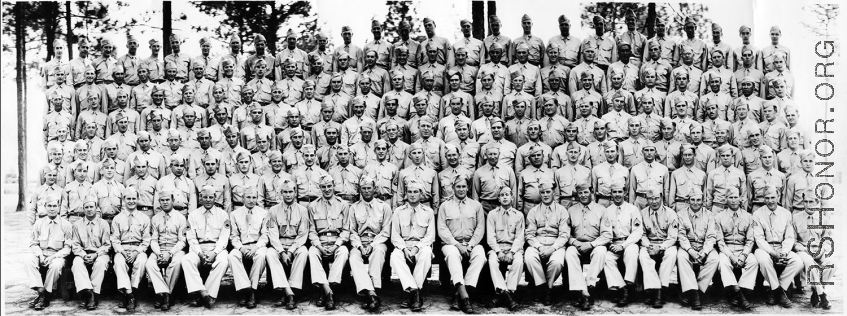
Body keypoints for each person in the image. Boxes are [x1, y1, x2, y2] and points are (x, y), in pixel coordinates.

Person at [437, 173, 485, 313]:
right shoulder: (445, 206)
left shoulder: (476, 205)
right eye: (458, 186)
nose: (461, 189)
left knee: (481, 256)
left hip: (471, 243)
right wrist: (457, 245)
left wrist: (469, 246)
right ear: (453, 187)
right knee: (452, 255)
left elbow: (480, 228)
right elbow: (442, 229)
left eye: (464, 186)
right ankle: (465, 296)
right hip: (451, 244)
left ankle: (460, 294)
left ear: (468, 188)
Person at [752, 186, 803, 308]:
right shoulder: (757, 214)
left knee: (798, 262)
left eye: (773, 197)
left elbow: (789, 237)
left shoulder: (786, 214)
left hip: (782, 247)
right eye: (767, 198)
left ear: (778, 197)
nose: (770, 201)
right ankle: (779, 292)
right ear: (763, 199)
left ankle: (776, 289)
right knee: (763, 260)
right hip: (765, 248)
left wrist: (784, 252)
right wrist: (771, 252)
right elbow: (759, 238)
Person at [389, 179, 436, 312]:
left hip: (421, 246)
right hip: (403, 246)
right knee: (394, 257)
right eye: (409, 192)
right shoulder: (398, 211)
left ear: (421, 194)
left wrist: (416, 248)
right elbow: (395, 236)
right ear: (406, 194)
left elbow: (430, 236)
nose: (412, 194)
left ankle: (411, 293)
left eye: (416, 192)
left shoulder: (428, 212)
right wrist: (404, 249)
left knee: (426, 253)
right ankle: (415, 293)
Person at [346, 175, 391, 311]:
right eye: (363, 188)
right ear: (360, 189)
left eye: (369, 188)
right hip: (360, 241)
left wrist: (372, 245)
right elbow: (352, 231)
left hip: (377, 241)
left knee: (378, 252)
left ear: (374, 189)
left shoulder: (384, 207)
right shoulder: (353, 208)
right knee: (353, 257)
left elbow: (385, 231)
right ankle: (372, 294)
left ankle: (369, 292)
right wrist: (359, 246)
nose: (366, 191)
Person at [182, 185, 231, 309]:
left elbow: (224, 238)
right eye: (205, 197)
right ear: (200, 198)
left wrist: (214, 253)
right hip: (198, 248)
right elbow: (191, 238)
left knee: (224, 261)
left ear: (215, 198)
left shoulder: (223, 214)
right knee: (186, 260)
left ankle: (206, 294)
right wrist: (199, 253)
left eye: (211, 197)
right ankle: (204, 294)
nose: (208, 200)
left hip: (217, 248)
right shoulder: (192, 215)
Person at [565, 183, 611, 310]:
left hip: (594, 244)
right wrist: (575, 242)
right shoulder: (571, 210)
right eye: (580, 193)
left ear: (592, 192)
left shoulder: (601, 210)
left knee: (601, 251)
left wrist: (591, 244)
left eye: (586, 192)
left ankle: (588, 286)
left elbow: (607, 235)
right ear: (577, 194)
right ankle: (585, 292)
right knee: (570, 252)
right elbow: (565, 233)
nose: (583, 195)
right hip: (577, 245)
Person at [265, 179, 309, 309]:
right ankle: (289, 293)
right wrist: (281, 252)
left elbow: (302, 234)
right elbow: (272, 234)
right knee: (269, 254)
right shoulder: (273, 210)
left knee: (303, 252)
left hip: (295, 245)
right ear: (280, 193)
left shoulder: (302, 210)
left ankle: (291, 290)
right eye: (285, 192)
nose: (288, 195)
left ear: (295, 192)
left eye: (290, 191)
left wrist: (290, 251)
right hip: (279, 245)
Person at [24, 194, 72, 311]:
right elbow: (33, 243)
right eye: (49, 206)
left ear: (59, 207)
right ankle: (42, 292)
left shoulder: (66, 224)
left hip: (57, 255)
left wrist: (54, 257)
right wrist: (40, 255)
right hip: (41, 253)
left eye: (54, 206)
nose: (52, 208)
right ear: (45, 207)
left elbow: (67, 248)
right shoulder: (39, 223)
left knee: (55, 265)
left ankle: (45, 294)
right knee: (28, 261)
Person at [524, 182, 569, 305]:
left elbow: (564, 234)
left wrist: (552, 248)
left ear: (553, 193)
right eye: (542, 192)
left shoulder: (562, 211)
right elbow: (529, 234)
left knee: (557, 262)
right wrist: (539, 247)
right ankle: (542, 287)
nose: (545, 195)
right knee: (529, 257)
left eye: (548, 192)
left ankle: (547, 288)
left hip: (556, 245)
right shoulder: (533, 211)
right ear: (540, 194)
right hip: (537, 244)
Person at [714, 186, 756, 310]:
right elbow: (720, 242)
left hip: (742, 249)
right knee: (722, 262)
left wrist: (743, 255)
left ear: (740, 199)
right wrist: (731, 256)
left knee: (753, 262)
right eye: (730, 197)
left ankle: (739, 291)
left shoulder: (749, 217)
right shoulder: (719, 217)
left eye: (735, 197)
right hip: (726, 250)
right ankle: (738, 293)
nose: (733, 200)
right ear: (726, 199)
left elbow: (750, 240)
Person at [110, 187, 152, 311]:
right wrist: (122, 251)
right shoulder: (117, 218)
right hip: (122, 248)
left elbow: (146, 240)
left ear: (137, 199)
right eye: (129, 199)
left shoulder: (144, 218)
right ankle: (130, 295)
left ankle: (130, 292)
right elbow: (115, 239)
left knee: (142, 261)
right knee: (118, 262)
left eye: (134, 199)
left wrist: (136, 252)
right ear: (124, 199)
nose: (131, 201)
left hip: (138, 248)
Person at [676, 187, 718, 310]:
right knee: (681, 257)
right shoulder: (681, 214)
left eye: (698, 200)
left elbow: (711, 237)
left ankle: (696, 291)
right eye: (692, 199)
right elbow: (681, 236)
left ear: (703, 201)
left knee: (714, 259)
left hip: (704, 246)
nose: (695, 202)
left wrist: (704, 252)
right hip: (688, 247)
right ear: (688, 200)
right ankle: (693, 293)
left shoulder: (709, 215)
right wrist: (691, 251)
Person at [144, 190, 187, 311]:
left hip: (175, 249)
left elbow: (182, 241)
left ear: (173, 201)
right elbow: (153, 240)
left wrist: (170, 253)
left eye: (167, 200)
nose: (165, 202)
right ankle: (165, 294)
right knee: (149, 263)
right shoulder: (155, 218)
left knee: (177, 262)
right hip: (160, 249)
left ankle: (165, 294)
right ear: (159, 202)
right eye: (162, 200)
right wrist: (159, 253)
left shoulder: (181, 218)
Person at [793, 189, 834, 310]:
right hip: (803, 250)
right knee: (809, 263)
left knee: (832, 263)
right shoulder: (795, 218)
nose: (808, 205)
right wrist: (804, 249)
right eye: (806, 201)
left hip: (819, 250)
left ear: (817, 202)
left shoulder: (824, 220)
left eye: (811, 201)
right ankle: (822, 295)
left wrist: (822, 250)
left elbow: (828, 241)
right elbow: (793, 241)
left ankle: (816, 292)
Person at [227, 186, 268, 309]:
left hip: (258, 245)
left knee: (261, 256)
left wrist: (256, 247)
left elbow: (265, 235)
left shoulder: (264, 213)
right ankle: (245, 288)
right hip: (242, 245)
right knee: (232, 256)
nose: (251, 200)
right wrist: (241, 248)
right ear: (242, 198)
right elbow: (233, 236)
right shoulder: (234, 214)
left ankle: (252, 291)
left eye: (254, 197)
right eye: (248, 197)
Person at [638, 186, 678, 309]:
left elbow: (672, 237)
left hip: (665, 244)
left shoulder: (670, 213)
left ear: (661, 197)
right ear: (646, 199)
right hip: (649, 243)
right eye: (650, 199)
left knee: (671, 254)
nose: (654, 202)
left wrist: (661, 247)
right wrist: (649, 246)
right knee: (643, 256)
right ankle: (655, 289)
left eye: (656, 198)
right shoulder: (642, 213)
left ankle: (659, 290)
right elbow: (641, 234)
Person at [603, 183, 642, 307]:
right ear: (611, 194)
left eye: (620, 192)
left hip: (629, 242)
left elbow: (637, 232)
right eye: (614, 192)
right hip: (614, 242)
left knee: (631, 252)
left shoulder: (633, 209)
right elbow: (604, 231)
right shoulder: (607, 211)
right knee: (606, 258)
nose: (617, 195)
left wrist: (624, 245)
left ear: (625, 193)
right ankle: (622, 288)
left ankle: (630, 285)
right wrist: (610, 243)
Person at [485, 186, 524, 311]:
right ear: (499, 198)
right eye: (502, 195)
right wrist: (498, 251)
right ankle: (507, 296)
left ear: (512, 198)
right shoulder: (492, 214)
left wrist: (512, 252)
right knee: (492, 261)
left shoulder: (518, 215)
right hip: (498, 248)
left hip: (514, 248)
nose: (505, 197)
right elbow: (490, 237)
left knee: (518, 262)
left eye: (507, 194)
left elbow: (519, 237)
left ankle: (505, 294)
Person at [70, 196, 111, 310]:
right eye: (86, 207)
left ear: (96, 208)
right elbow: (75, 245)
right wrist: (83, 255)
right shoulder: (77, 225)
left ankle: (91, 295)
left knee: (101, 263)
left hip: (100, 253)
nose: (89, 209)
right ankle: (89, 294)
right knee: (77, 264)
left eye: (91, 207)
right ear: (83, 209)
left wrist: (96, 254)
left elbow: (107, 245)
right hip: (83, 253)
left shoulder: (103, 224)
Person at [473, 144, 518, 213]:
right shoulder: (479, 172)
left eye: (495, 154)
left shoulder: (508, 170)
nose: (493, 157)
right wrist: (477, 212)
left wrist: (513, 209)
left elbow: (513, 191)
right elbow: (476, 194)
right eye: (490, 154)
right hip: (485, 207)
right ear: (485, 155)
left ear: (499, 154)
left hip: (504, 206)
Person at [517, 145, 555, 213]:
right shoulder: (523, 173)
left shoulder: (551, 172)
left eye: (539, 155)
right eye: (533, 156)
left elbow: (555, 193)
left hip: (547, 208)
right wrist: (520, 211)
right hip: (529, 207)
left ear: (543, 156)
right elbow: (520, 195)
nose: (536, 157)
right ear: (529, 158)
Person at [591, 140, 629, 207]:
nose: (610, 154)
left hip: (619, 203)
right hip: (602, 202)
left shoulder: (624, 170)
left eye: (612, 151)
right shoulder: (596, 169)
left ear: (617, 152)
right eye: (607, 152)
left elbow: (626, 191)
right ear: (604, 153)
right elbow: (593, 191)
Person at [554, 142, 592, 208]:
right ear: (566, 154)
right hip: (564, 205)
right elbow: (556, 195)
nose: (573, 155)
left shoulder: (586, 171)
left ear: (579, 154)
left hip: (581, 204)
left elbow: (590, 193)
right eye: (571, 152)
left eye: (575, 152)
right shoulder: (559, 172)